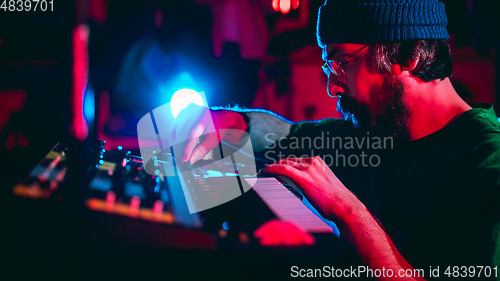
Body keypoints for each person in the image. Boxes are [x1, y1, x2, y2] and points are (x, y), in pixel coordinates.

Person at [170, 0, 500, 279]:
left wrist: (347, 210)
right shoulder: (373, 133)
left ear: (410, 54)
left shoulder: (487, 164)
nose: (333, 87)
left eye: (343, 63)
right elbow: (285, 135)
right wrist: (232, 120)